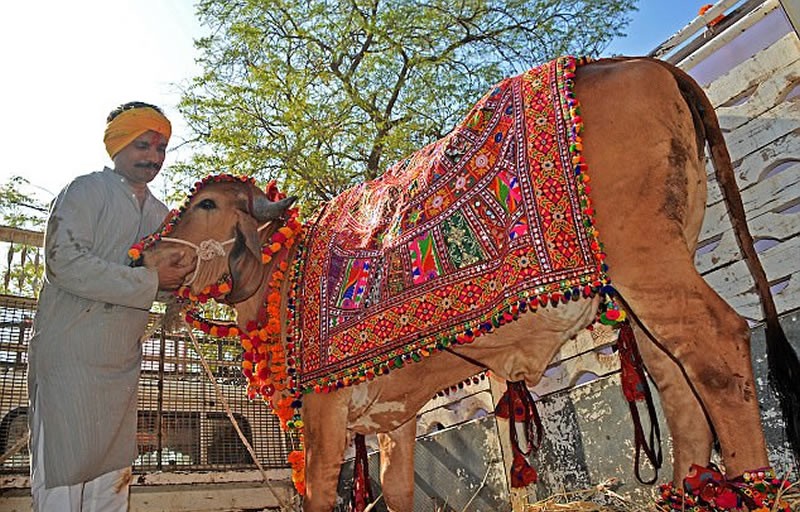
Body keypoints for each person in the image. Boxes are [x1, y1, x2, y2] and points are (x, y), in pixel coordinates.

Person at [27, 101, 195, 511]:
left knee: (110, 480)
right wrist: (151, 281)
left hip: (120, 363)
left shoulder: (162, 215)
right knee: (63, 479)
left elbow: (177, 271)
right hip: (70, 358)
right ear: (116, 145)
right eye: (143, 146)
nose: (153, 158)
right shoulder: (85, 190)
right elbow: (62, 262)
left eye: (161, 150)